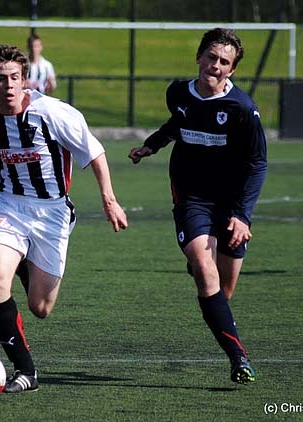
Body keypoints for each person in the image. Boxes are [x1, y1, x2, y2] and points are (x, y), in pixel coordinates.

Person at [0, 44, 128, 393]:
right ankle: (25, 370)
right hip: (10, 208)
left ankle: (24, 263)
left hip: (52, 214)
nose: (10, 85)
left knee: (41, 307)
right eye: (1, 79)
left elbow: (94, 152)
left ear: (24, 79)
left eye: (15, 77)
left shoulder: (54, 114)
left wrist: (109, 199)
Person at [129, 28, 267, 384]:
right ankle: (239, 358)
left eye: (224, 62)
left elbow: (257, 164)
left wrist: (242, 215)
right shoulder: (177, 92)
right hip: (191, 198)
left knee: (223, 288)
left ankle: (212, 291)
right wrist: (152, 145)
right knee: (205, 271)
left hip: (231, 203)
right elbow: (180, 122)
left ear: (232, 70)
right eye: (211, 57)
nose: (216, 66)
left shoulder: (242, 109)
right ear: (198, 57)